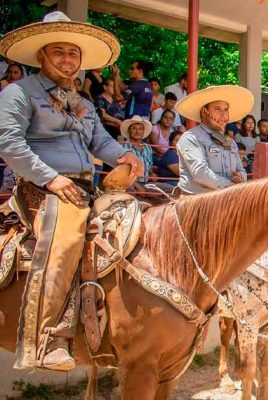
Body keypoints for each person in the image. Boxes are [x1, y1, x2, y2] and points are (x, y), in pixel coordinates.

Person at [0, 11, 142, 371]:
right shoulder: (19, 92)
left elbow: (101, 143)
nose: (67, 59)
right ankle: (49, 338)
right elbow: (10, 144)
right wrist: (51, 179)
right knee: (66, 239)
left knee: (138, 224)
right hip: (40, 186)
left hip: (84, 186)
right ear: (41, 56)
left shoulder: (85, 104)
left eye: (73, 53)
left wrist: (124, 154)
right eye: (59, 51)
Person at [175, 85, 251, 194]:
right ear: (204, 112)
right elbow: (200, 173)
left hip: (226, 198)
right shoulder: (191, 137)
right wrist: (231, 186)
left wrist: (241, 178)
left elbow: (241, 169)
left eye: (226, 109)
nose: (224, 114)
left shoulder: (230, 142)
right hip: (197, 202)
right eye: (217, 109)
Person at [120, 115, 172, 193]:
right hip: (129, 182)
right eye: (134, 128)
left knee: (170, 188)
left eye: (140, 129)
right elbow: (122, 172)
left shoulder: (148, 148)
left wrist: (152, 174)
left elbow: (149, 168)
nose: (137, 131)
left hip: (146, 183)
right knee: (130, 190)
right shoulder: (123, 146)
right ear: (129, 131)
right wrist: (138, 187)